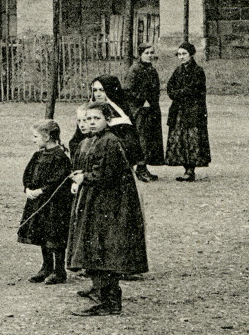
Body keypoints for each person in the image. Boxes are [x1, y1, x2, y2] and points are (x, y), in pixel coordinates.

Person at [66, 100, 149, 316]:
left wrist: (84, 177)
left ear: (108, 120)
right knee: (95, 247)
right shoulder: (93, 140)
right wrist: (81, 174)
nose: (91, 123)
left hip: (110, 205)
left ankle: (110, 301)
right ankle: (102, 295)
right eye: (88, 119)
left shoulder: (109, 141)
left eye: (97, 118)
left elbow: (106, 174)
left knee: (105, 249)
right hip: (96, 201)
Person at [18, 119, 73, 284]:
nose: (33, 140)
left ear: (47, 137)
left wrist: (42, 190)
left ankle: (59, 271)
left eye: (36, 136)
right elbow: (28, 173)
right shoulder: (38, 155)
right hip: (38, 202)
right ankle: (46, 267)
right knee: (42, 233)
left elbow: (59, 180)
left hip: (55, 204)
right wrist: (28, 189)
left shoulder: (60, 157)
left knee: (55, 236)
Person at [165, 41, 211, 182]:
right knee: (180, 139)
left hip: (193, 110)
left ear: (191, 55)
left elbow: (192, 90)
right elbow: (169, 88)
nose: (181, 57)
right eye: (179, 54)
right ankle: (186, 167)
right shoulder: (178, 71)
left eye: (184, 54)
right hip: (179, 110)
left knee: (192, 139)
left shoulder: (197, 71)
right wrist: (177, 93)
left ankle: (190, 170)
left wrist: (178, 93)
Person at [126, 44, 165, 181]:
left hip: (151, 109)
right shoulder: (134, 69)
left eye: (151, 53)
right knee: (141, 138)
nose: (150, 55)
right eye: (146, 53)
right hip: (139, 110)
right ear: (140, 54)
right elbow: (128, 90)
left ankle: (144, 167)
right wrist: (142, 101)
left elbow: (156, 89)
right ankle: (140, 168)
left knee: (150, 139)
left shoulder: (152, 70)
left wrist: (153, 102)